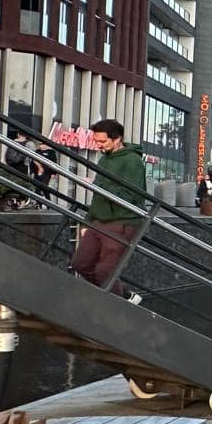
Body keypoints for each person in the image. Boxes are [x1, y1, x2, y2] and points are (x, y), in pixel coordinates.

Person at [70, 119, 146, 294]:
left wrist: (97, 186)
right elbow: (98, 196)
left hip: (122, 220)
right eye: (96, 141)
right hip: (99, 220)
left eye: (102, 142)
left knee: (104, 271)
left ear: (117, 139)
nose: (99, 146)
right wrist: (87, 222)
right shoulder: (104, 160)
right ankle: (123, 295)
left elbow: (131, 194)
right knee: (80, 263)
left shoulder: (132, 161)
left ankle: (117, 306)